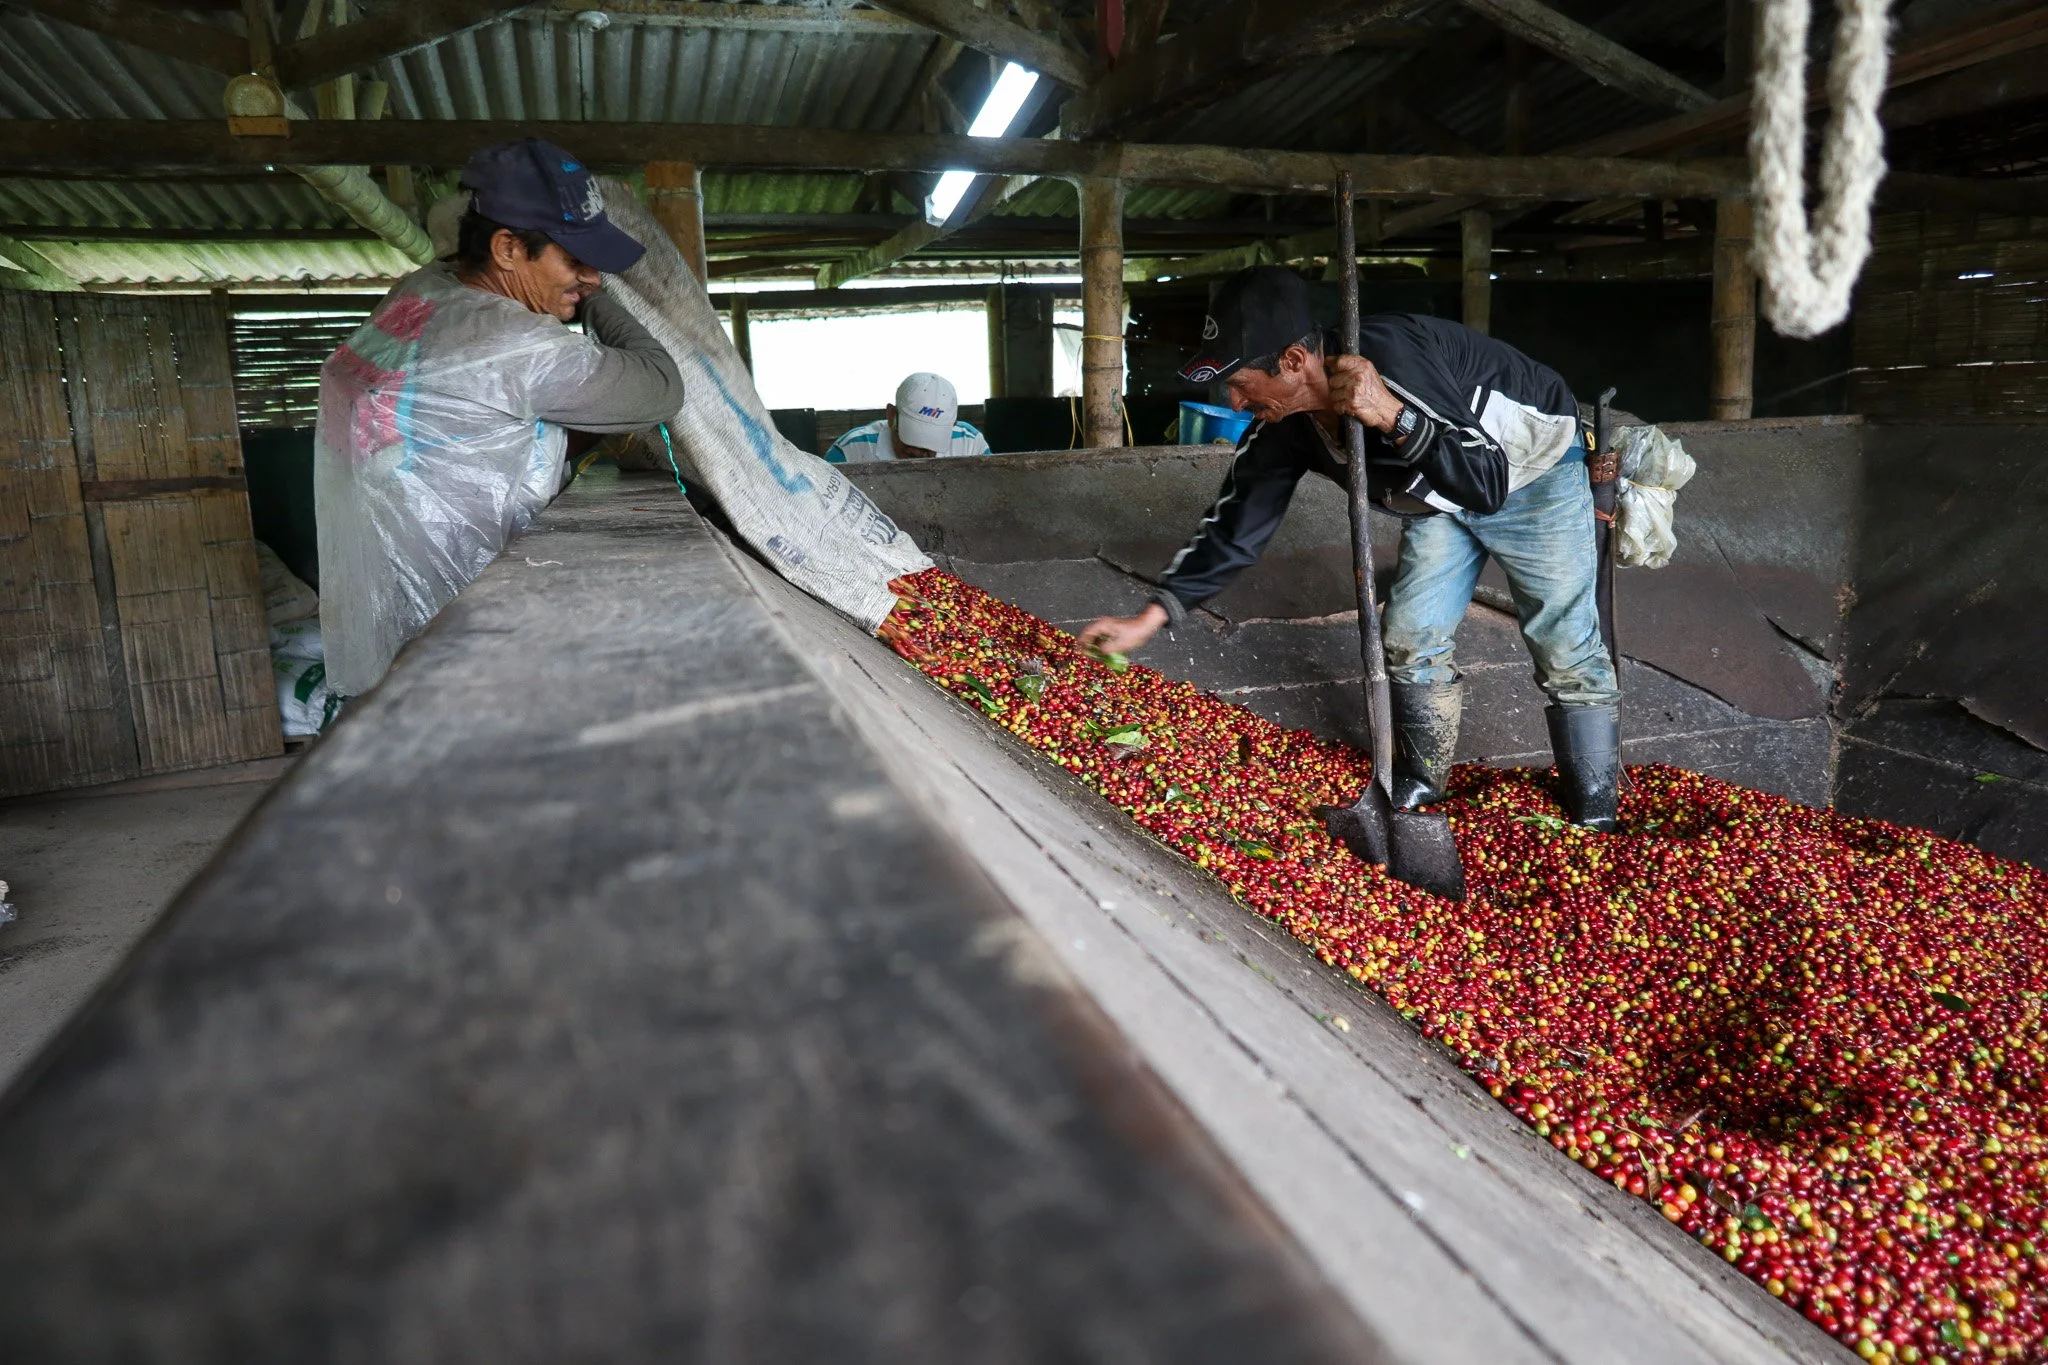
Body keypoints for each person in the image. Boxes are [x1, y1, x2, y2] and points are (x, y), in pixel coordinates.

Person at [1077, 266, 1621, 831]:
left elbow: (1484, 485)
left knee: (1564, 641)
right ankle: (1424, 782)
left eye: (1239, 384)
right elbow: (1236, 525)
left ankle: (1596, 808)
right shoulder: (1283, 425)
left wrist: (1391, 414)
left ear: (1292, 360)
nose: (1235, 403)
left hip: (1526, 473)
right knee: (1410, 636)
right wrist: (1152, 614)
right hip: (1438, 494)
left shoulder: (1395, 360)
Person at [315, 139, 685, 697]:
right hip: (470, 612)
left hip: (385, 598)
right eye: (575, 259)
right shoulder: (518, 345)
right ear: (508, 247)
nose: (594, 277)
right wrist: (600, 304)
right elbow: (660, 387)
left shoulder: (420, 292)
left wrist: (568, 283)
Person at [828, 372, 991, 463]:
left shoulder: (970, 446)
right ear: (891, 416)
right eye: (911, 439)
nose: (917, 452)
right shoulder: (849, 452)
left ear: (952, 426)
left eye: (928, 446)